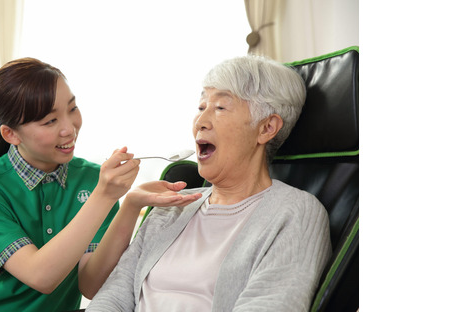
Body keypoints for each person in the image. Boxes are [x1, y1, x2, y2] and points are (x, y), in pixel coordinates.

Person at [0, 57, 201, 312]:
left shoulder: (92, 180)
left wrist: (129, 205)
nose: (69, 128)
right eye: (50, 121)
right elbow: (40, 276)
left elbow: (90, 285)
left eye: (72, 109)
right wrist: (103, 196)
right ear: (11, 134)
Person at [86, 55, 332, 311]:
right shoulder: (169, 207)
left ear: (266, 128)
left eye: (221, 108)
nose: (200, 122)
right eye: (202, 107)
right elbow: (113, 296)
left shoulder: (295, 213)